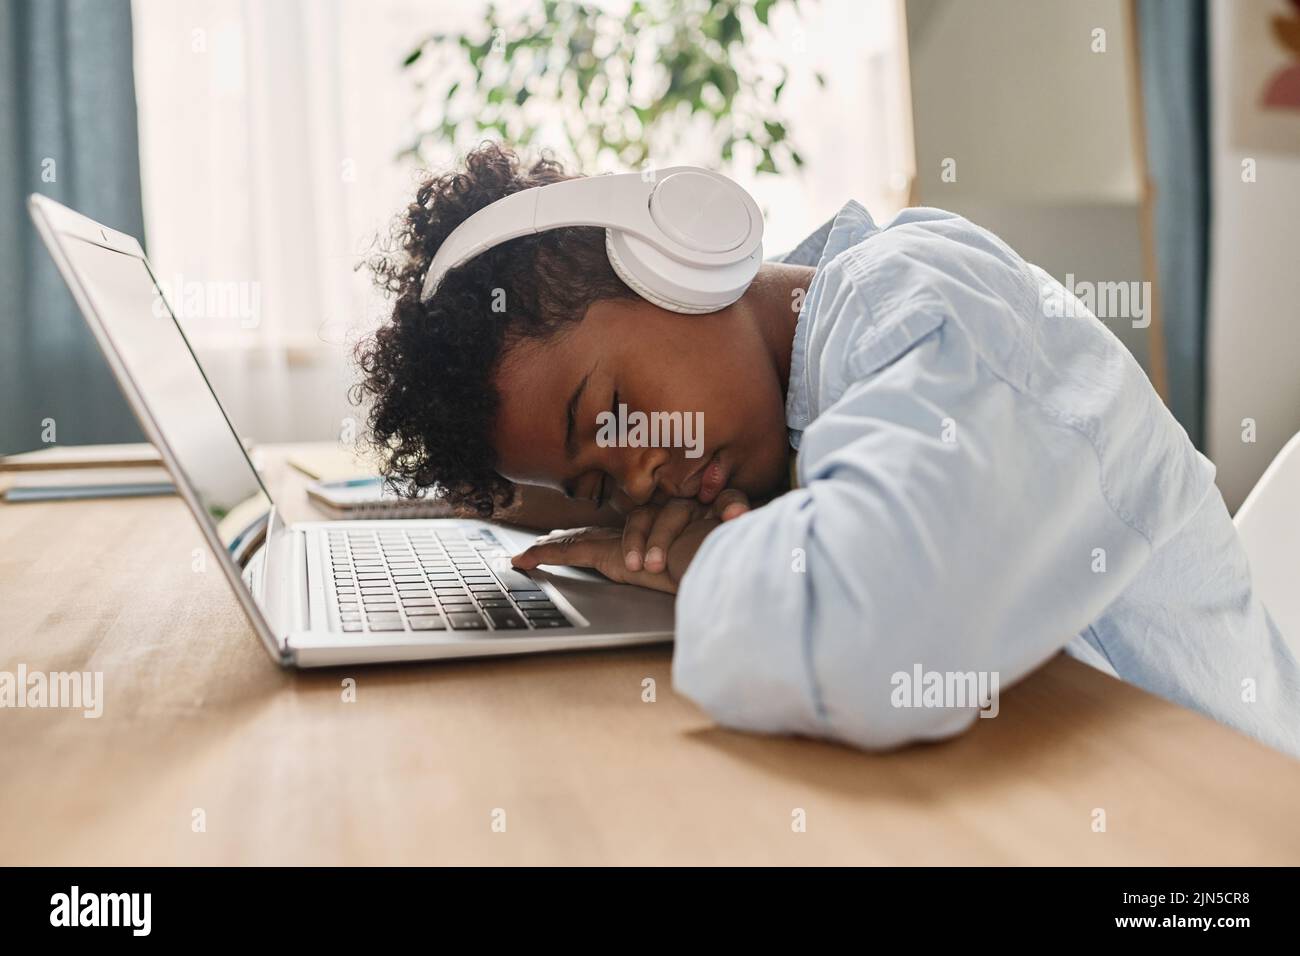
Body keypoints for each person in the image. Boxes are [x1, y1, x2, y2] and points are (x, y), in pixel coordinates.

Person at [354, 142, 1300, 757]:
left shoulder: (917, 309)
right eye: (601, 483)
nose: (641, 471)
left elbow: (882, 639)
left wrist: (704, 556)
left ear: (673, 258)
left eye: (611, 412)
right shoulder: (800, 369)